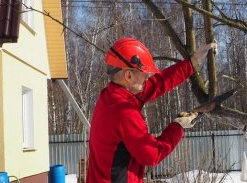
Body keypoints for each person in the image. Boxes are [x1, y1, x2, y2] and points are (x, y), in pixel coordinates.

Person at [87, 37, 217, 183]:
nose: (147, 76)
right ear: (128, 75)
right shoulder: (125, 112)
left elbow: (159, 83)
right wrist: (178, 126)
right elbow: (152, 155)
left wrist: (193, 61)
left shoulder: (110, 97)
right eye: (144, 73)